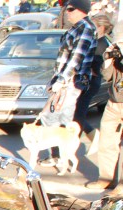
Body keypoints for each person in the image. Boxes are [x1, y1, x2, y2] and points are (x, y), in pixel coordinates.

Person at [41, 0, 97, 129]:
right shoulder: (78, 27)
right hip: (67, 80)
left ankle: (61, 148)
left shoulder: (85, 28)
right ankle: (58, 147)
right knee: (53, 117)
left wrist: (61, 80)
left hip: (71, 81)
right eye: (67, 9)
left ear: (81, 10)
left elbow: (76, 58)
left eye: (71, 9)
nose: (67, 12)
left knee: (58, 119)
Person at [89, 34, 123, 189]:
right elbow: (108, 76)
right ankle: (105, 178)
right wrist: (109, 59)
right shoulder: (118, 56)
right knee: (107, 142)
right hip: (114, 102)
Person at [76, 13, 112, 143]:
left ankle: (91, 138)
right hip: (92, 81)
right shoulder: (103, 41)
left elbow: (99, 67)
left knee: (78, 115)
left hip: (91, 81)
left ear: (101, 27)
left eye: (94, 26)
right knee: (77, 114)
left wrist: (89, 68)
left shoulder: (101, 44)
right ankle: (92, 137)